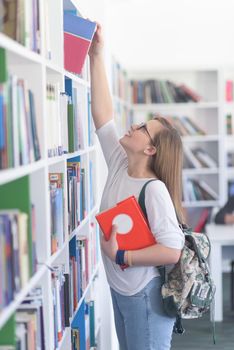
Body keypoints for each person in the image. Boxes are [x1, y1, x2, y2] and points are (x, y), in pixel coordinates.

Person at [89, 22, 185, 350]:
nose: (134, 125)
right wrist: (96, 55)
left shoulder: (153, 189)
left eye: (143, 127)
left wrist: (122, 255)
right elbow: (103, 117)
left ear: (151, 150)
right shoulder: (120, 163)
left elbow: (173, 250)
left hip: (144, 297)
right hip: (122, 290)